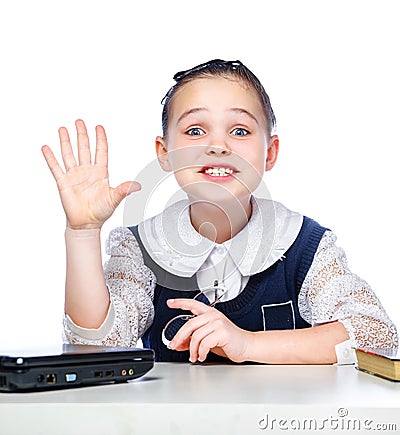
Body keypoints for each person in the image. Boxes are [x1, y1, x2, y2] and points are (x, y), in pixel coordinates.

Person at [42, 59, 398, 364]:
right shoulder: (141, 249)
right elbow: (94, 348)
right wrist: (83, 232)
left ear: (270, 153)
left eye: (239, 130)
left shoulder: (303, 244)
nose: (217, 145)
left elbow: (375, 335)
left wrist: (246, 344)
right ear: (164, 152)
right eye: (196, 130)